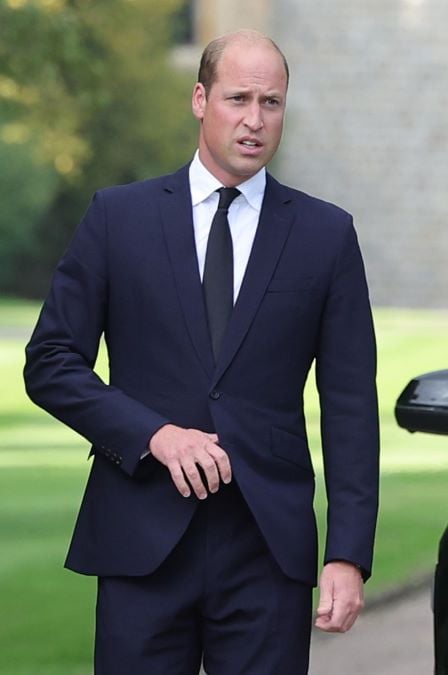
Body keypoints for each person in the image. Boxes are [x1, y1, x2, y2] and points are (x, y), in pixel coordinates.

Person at [23, 29, 379, 673]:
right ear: (199, 99)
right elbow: (50, 362)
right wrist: (154, 434)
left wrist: (348, 554)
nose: (254, 119)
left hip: (267, 549)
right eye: (237, 98)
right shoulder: (117, 218)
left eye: (271, 102)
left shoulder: (326, 234)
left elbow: (351, 406)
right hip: (141, 538)